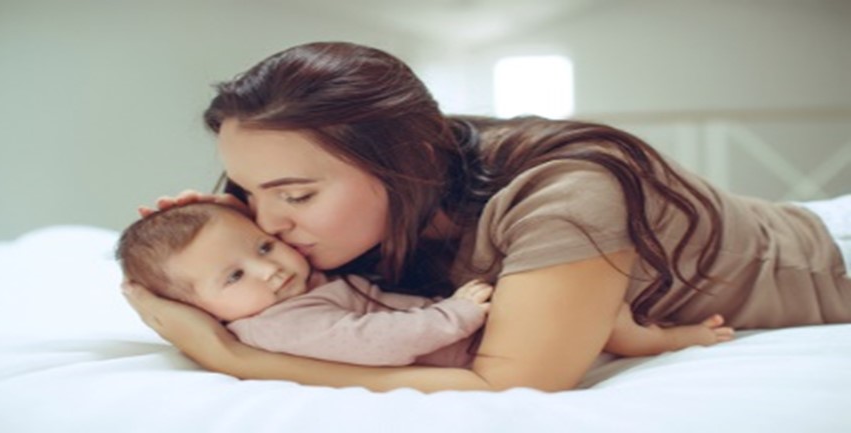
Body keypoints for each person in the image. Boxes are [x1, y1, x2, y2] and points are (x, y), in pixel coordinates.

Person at [123, 41, 851, 393]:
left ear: (398, 163)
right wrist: (213, 238)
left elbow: (512, 383)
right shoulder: (375, 206)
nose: (269, 224)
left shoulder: (565, 196)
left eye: (296, 194)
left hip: (829, 261)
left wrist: (237, 358)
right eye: (250, 194)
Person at [117, 202, 734, 367]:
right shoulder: (277, 323)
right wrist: (455, 316)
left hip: (460, 328)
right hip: (458, 345)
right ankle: (667, 342)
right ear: (197, 308)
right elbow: (373, 343)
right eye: (235, 275)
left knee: (586, 303)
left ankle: (644, 334)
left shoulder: (295, 288)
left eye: (262, 245)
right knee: (599, 324)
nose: (270, 268)